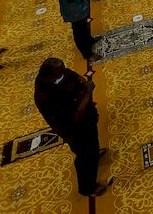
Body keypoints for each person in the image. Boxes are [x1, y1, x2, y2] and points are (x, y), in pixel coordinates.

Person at [34, 58, 109, 197]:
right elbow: (74, 116)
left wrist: (83, 83)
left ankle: (94, 154)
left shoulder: (60, 74)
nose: (64, 73)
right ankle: (87, 188)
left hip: (86, 116)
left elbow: (73, 75)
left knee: (92, 143)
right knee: (84, 155)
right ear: (49, 76)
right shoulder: (46, 96)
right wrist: (87, 92)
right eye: (60, 73)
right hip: (73, 129)